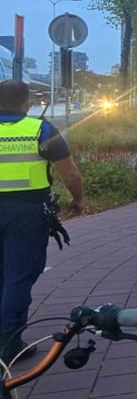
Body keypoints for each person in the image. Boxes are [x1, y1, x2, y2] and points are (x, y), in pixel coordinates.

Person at [0, 80, 84, 365]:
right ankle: (9, 342)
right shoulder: (41, 130)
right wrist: (78, 200)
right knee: (18, 277)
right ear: (27, 103)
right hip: (27, 213)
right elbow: (70, 173)